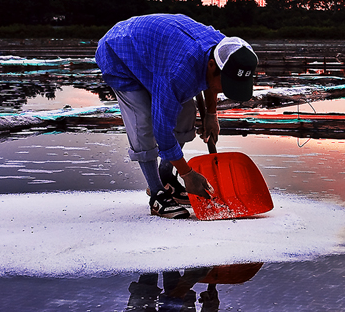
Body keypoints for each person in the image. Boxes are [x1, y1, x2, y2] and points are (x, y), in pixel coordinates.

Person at [95, 13, 258, 218]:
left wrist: (211, 114)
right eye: (226, 85)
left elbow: (213, 81)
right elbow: (162, 128)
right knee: (143, 123)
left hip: (157, 52)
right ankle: (157, 193)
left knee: (186, 112)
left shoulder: (227, 50)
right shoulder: (179, 72)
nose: (225, 90)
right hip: (120, 53)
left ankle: (166, 176)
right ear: (211, 65)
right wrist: (186, 173)